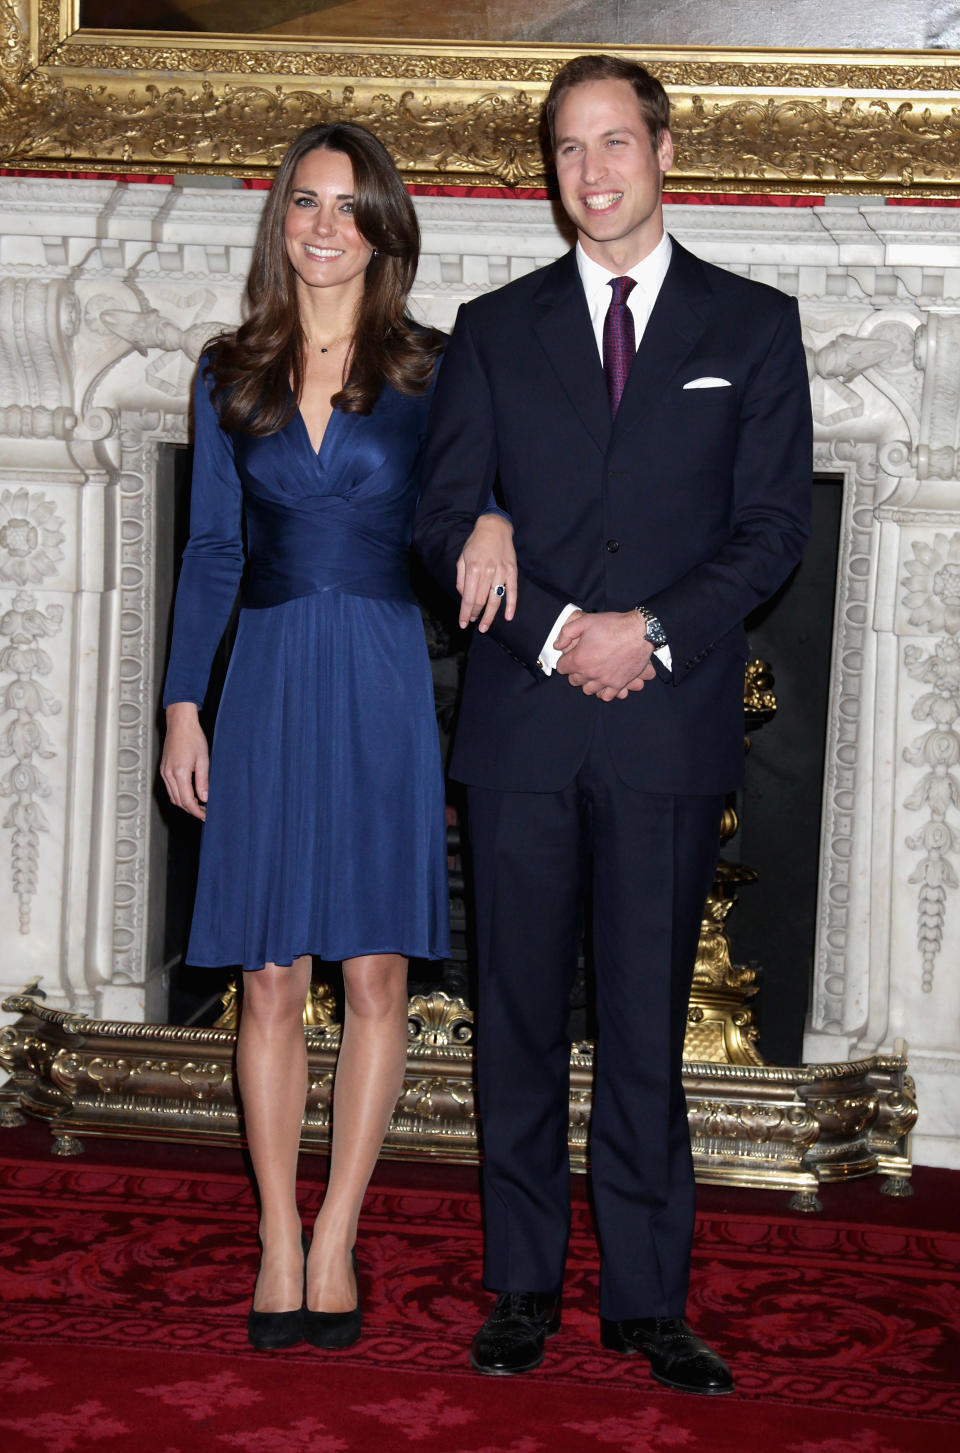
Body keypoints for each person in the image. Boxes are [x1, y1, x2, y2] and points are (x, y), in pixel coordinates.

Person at [415, 54, 813, 1393]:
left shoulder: (752, 327)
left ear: (660, 149)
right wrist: (541, 625)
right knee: (515, 1017)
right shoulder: (492, 325)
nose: (592, 171)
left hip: (665, 719)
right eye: (568, 149)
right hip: (523, 727)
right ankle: (522, 1285)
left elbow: (771, 533)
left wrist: (640, 633)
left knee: (645, 1020)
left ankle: (648, 1299)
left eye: (614, 142)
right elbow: (441, 513)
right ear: (552, 170)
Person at [160, 121, 509, 1353]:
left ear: (385, 228)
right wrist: (182, 707)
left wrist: (500, 523)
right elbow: (209, 551)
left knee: (373, 974)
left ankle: (339, 1231)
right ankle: (272, 1231)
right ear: (280, 220)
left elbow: (493, 483)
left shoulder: (435, 368)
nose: (325, 227)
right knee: (267, 972)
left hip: (377, 675)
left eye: (351, 207)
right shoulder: (228, 372)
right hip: (262, 680)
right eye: (307, 203)